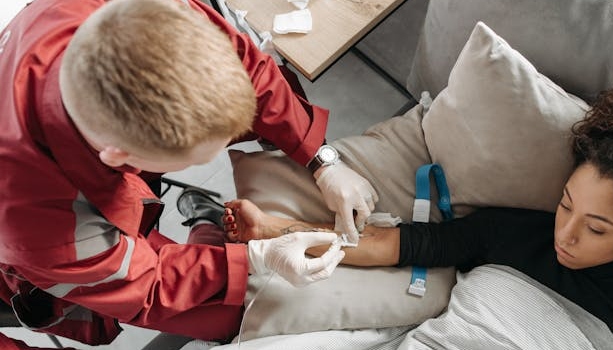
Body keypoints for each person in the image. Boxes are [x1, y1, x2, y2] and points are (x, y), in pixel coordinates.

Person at [221, 68, 613, 350]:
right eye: (565, 206)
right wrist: (278, 229)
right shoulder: (509, 233)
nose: (566, 235)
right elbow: (395, 245)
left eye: (597, 228)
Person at [0, 0, 372, 346]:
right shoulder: (42, 227)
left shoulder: (147, 17)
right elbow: (145, 285)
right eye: (196, 160)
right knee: (240, 315)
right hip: (68, 245)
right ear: (121, 158)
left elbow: (247, 68)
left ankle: (205, 223)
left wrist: (322, 160)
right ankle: (206, 225)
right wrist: (257, 260)